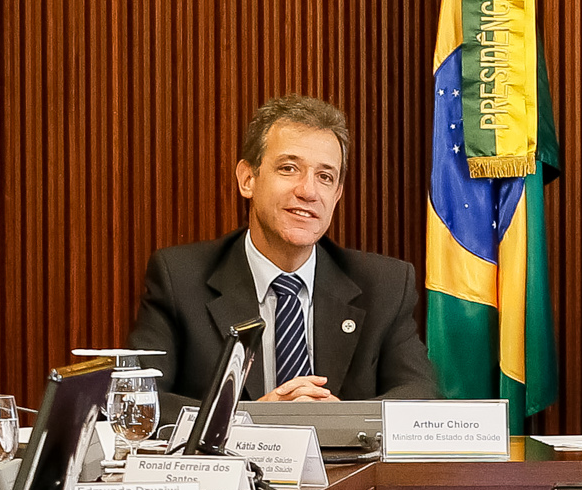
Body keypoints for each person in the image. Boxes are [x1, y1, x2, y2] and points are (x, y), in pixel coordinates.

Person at [124, 95, 439, 403]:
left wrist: (339, 423)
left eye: (325, 176)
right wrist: (253, 424)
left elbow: (420, 396)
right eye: (289, 168)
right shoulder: (180, 278)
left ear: (338, 194)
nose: (308, 191)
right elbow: (139, 398)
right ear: (248, 179)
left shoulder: (384, 284)